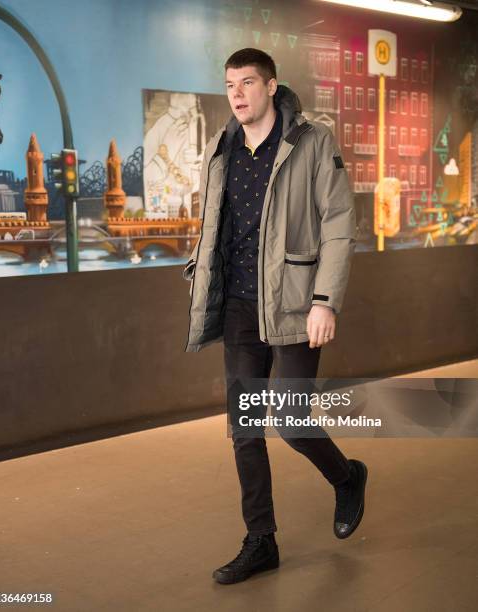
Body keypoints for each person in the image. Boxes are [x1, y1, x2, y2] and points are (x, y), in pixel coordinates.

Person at [183, 48, 368, 585]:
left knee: (288, 419)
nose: (237, 94)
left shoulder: (312, 142)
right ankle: (260, 540)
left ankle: (346, 476)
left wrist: (325, 300)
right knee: (244, 430)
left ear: (271, 86)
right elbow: (214, 223)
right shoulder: (223, 148)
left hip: (293, 302)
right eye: (230, 86)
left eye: (246, 83)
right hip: (239, 305)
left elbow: (337, 223)